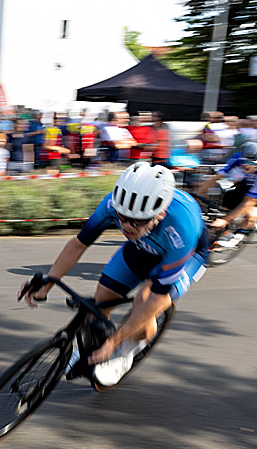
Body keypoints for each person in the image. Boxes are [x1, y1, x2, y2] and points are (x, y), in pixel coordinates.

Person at [22, 162, 208, 386]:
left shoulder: (181, 229)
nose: (126, 226)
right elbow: (78, 244)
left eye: (136, 221)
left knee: (144, 301)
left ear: (160, 214)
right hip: (144, 245)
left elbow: (157, 297)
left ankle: (125, 355)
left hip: (186, 255)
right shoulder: (113, 202)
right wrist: (49, 283)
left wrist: (114, 343)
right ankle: (94, 351)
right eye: (121, 217)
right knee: (100, 302)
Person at [193, 140, 257, 248]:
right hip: (250, 179)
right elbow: (215, 178)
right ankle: (226, 228)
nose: (247, 166)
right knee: (226, 204)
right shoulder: (238, 157)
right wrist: (195, 195)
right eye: (245, 162)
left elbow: (249, 202)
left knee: (251, 213)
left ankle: (238, 236)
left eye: (252, 163)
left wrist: (225, 220)